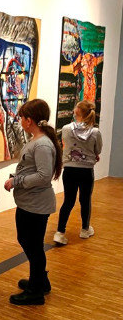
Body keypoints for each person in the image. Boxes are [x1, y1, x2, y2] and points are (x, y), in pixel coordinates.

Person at [4, 99, 62, 305]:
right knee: (28, 241)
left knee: (33, 245)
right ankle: (40, 280)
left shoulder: (42, 144)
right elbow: (32, 170)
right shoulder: (36, 141)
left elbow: (44, 176)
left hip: (36, 205)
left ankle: (36, 290)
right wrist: (17, 177)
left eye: (21, 117)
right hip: (29, 202)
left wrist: (16, 181)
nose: (19, 120)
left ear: (29, 120)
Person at [53, 100, 103, 245]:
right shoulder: (95, 132)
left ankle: (60, 232)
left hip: (70, 170)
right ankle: (85, 229)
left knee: (68, 201)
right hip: (86, 171)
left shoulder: (66, 129)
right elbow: (98, 150)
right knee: (85, 200)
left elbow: (65, 144)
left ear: (77, 111)